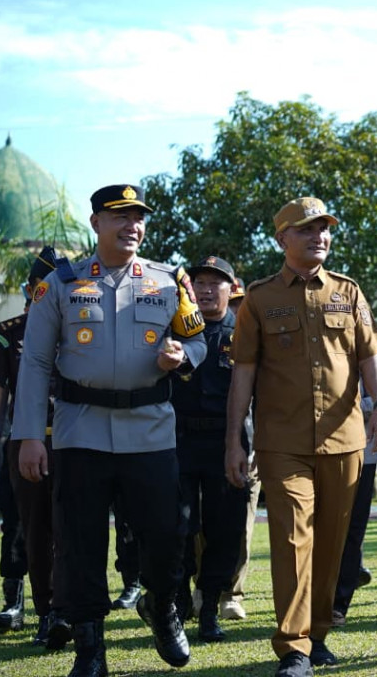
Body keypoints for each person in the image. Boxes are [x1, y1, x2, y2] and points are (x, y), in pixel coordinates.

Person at [14, 184, 207, 676]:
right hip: (81, 431)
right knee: (79, 543)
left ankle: (162, 610)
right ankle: (89, 648)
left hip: (151, 431)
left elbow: (197, 338)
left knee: (166, 534)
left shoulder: (169, 281)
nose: (132, 226)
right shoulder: (60, 283)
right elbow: (35, 361)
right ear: (96, 222)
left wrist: (183, 356)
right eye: (120, 216)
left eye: (138, 217)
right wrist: (31, 434)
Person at [224, 196, 377, 677]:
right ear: (282, 239)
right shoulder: (258, 298)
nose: (320, 235)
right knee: (293, 540)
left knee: (332, 544)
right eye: (307, 228)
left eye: (324, 227)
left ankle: (318, 634)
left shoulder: (349, 292)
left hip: (345, 439)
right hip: (281, 442)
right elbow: (243, 375)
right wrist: (234, 440)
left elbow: (368, 356)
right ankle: (293, 646)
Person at [0, 247, 67, 646]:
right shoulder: (10, 332)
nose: (56, 291)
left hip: (77, 442)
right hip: (28, 441)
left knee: (75, 530)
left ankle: (72, 611)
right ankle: (46, 611)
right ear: (30, 289)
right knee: (36, 530)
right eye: (45, 284)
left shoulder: (82, 324)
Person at [171, 256, 250, 642]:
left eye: (215, 283)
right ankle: (180, 594)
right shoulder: (174, 329)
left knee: (226, 528)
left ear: (232, 290)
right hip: (178, 441)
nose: (205, 289)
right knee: (177, 524)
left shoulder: (246, 333)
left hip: (227, 442)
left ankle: (211, 607)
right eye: (199, 281)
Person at [222, 275, 260, 621]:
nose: (236, 312)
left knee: (242, 525)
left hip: (252, 444)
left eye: (241, 305)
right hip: (205, 443)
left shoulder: (261, 343)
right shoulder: (200, 337)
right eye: (232, 304)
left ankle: (232, 593)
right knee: (200, 525)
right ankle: (203, 589)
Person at [332, 390, 377, 625]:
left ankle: (338, 604)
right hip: (323, 449)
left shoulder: (371, 358)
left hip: (364, 451)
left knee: (353, 529)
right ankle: (314, 600)